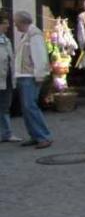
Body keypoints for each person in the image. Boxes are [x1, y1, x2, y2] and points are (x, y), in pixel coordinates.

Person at [12, 11, 53, 149]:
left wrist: (39, 75)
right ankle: (35, 135)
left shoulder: (34, 35)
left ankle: (43, 136)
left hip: (30, 76)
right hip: (25, 75)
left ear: (21, 22)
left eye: (16, 22)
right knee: (27, 108)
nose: (15, 24)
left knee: (30, 106)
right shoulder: (27, 35)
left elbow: (40, 56)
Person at [0, 12, 20, 144]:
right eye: (5, 23)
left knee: (5, 106)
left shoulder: (6, 40)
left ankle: (6, 133)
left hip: (6, 78)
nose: (8, 26)